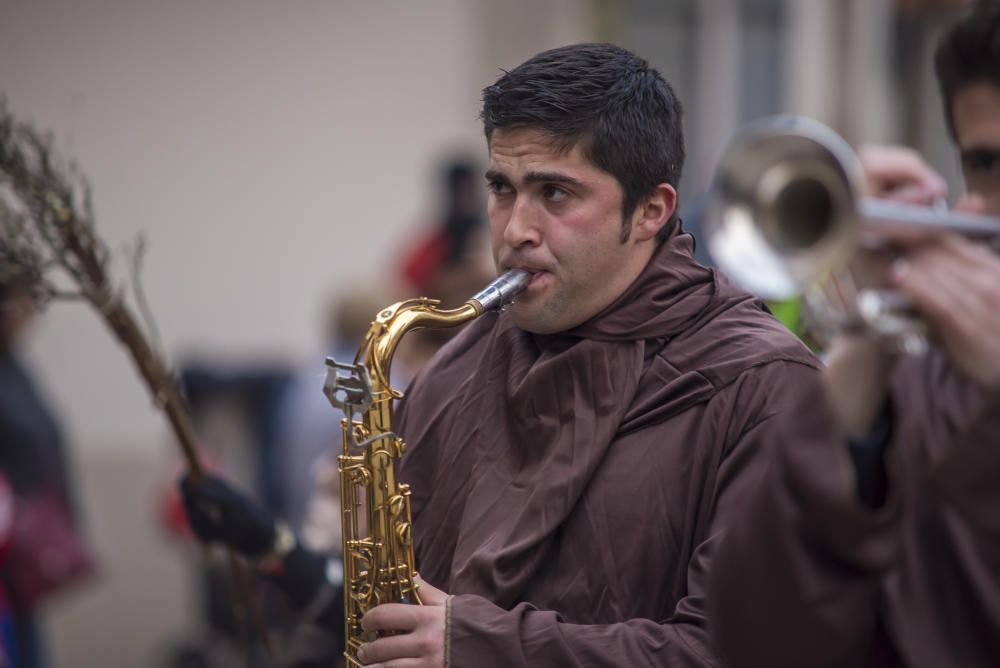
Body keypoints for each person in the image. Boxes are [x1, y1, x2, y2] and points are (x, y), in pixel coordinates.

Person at [354, 42, 820, 667]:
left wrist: (482, 648)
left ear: (651, 210)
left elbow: (743, 651)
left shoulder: (766, 386)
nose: (516, 229)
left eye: (555, 193)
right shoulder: (455, 365)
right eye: (502, 187)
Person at [707, 3, 1000, 667]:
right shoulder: (928, 372)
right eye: (984, 165)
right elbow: (757, 641)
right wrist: (859, 372)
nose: (983, 208)